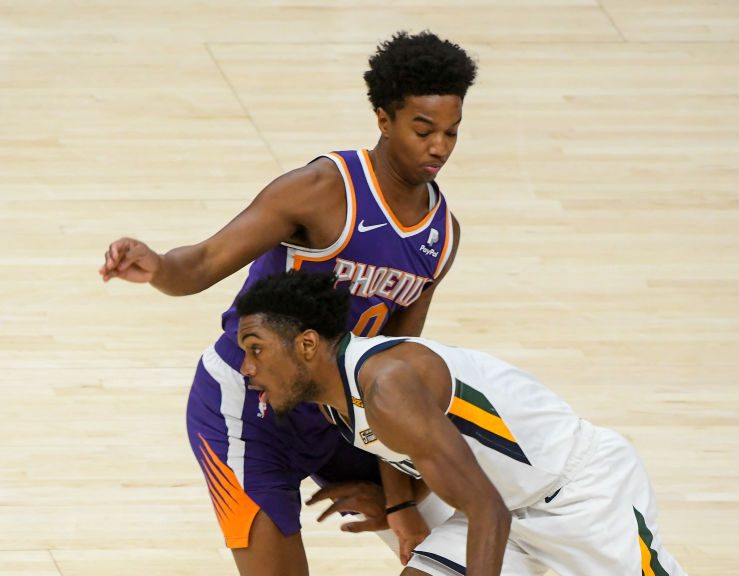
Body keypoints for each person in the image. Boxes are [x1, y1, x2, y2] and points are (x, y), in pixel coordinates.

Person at [98, 31, 477, 575]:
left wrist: (400, 499)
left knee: (474, 521)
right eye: (423, 130)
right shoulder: (322, 189)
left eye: (451, 132)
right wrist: (158, 266)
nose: (438, 146)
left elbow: (396, 368)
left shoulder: (441, 236)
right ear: (383, 119)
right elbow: (203, 263)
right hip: (248, 408)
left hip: (338, 410)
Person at [234, 270, 687, 576]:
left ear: (307, 345)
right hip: (506, 514)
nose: (246, 368)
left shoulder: (387, 385)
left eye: (256, 348)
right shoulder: (339, 395)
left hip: (583, 496)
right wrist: (400, 507)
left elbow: (484, 505)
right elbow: (404, 445)